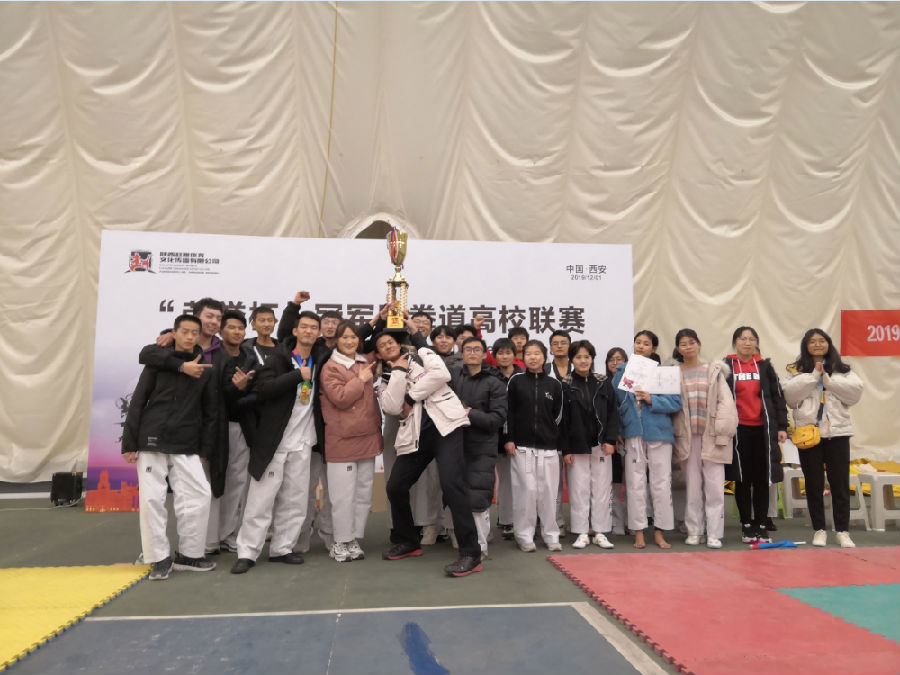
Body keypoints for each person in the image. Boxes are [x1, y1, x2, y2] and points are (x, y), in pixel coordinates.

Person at [374, 332, 482, 577]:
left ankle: (471, 553)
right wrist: (399, 371)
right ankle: (408, 541)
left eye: (391, 341)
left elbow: (441, 375)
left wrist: (410, 396)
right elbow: (391, 407)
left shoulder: (422, 356)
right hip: (416, 436)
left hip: (446, 428)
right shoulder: (385, 380)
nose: (388, 345)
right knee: (395, 486)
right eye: (382, 345)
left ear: (399, 344)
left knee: (452, 485)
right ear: (379, 354)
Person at [231, 310, 330, 573]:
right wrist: (297, 376)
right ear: (294, 331)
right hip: (275, 441)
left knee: (295, 499)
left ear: (318, 333)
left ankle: (283, 548)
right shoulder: (277, 358)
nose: (309, 331)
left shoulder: (321, 357)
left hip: (303, 441)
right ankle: (247, 552)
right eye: (304, 327)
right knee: (261, 499)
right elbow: (263, 389)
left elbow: (349, 339)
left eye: (314, 328)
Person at [122, 314, 217, 580]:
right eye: (184, 331)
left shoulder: (205, 369)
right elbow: (138, 401)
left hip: (187, 442)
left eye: (194, 332)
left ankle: (189, 554)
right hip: (152, 438)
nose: (190, 336)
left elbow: (210, 412)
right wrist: (129, 442)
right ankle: (157, 557)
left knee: (199, 495)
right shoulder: (157, 362)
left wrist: (205, 449)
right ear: (173, 333)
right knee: (152, 499)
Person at [782, 328, 863, 548]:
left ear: (828, 343)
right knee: (814, 484)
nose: (817, 344)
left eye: (821, 340)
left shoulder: (842, 369)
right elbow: (789, 396)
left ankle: (842, 531)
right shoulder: (796, 370)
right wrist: (814, 377)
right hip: (809, 433)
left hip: (838, 433)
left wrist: (828, 379)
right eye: (812, 341)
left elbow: (855, 393)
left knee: (840, 484)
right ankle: (819, 530)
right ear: (805, 346)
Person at [319, 321, 383, 562]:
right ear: (336, 340)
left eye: (353, 337)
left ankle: (353, 539)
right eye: (344, 337)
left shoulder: (365, 362)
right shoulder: (330, 367)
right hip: (341, 441)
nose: (349, 341)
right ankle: (339, 541)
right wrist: (361, 379)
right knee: (342, 496)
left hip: (367, 438)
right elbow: (341, 398)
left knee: (363, 494)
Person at [613, 331, 681, 549]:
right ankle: (639, 531)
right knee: (635, 484)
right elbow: (614, 405)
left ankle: (660, 531)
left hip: (659, 433)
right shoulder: (622, 372)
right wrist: (619, 430)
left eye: (646, 343)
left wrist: (652, 399)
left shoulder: (664, 373)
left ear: (654, 348)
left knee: (661, 483)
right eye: (638, 342)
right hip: (633, 433)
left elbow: (676, 403)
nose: (641, 346)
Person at [671, 329, 738, 549]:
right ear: (678, 348)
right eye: (683, 344)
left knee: (715, 487)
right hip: (687, 437)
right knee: (692, 487)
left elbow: (726, 403)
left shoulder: (713, 370)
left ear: (699, 344)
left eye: (691, 342)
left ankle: (714, 533)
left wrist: (722, 432)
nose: (688, 347)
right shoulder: (674, 373)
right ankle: (694, 530)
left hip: (712, 436)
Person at [724, 327, 788, 543]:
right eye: (743, 338)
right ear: (735, 342)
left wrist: (782, 426)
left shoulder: (765, 366)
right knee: (742, 479)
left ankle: (761, 524)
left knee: (762, 479)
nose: (747, 342)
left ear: (757, 343)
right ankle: (746, 524)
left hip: (763, 430)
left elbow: (778, 397)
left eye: (752, 339)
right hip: (738, 430)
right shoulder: (727, 366)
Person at [205, 310, 260, 556]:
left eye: (240, 328)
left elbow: (256, 390)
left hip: (241, 426)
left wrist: (241, 391)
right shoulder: (214, 355)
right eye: (231, 327)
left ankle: (227, 534)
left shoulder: (250, 356)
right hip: (215, 427)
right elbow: (215, 394)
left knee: (237, 482)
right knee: (213, 482)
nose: (237, 332)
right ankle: (208, 538)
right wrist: (235, 389)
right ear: (221, 331)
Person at [505, 340, 566, 552]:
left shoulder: (554, 385)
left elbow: (559, 415)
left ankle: (551, 535)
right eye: (529, 353)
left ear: (544, 356)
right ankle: (524, 536)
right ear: (523, 357)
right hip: (522, 447)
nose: (533, 357)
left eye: (537, 353)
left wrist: (552, 436)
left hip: (548, 447)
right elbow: (509, 412)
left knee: (549, 493)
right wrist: (510, 438)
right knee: (526, 492)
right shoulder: (516, 381)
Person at [454, 336, 508, 557]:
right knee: (457, 497)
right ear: (462, 353)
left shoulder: (494, 382)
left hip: (482, 446)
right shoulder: (454, 377)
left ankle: (480, 546)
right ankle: (467, 544)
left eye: (477, 349)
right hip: (455, 444)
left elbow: (497, 419)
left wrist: (470, 413)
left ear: (485, 354)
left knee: (478, 498)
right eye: (468, 349)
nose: (472, 353)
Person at [563, 340, 618, 549]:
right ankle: (581, 532)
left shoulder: (603, 383)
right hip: (577, 446)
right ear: (572, 360)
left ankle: (600, 532)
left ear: (592, 359)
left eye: (587, 357)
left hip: (601, 445)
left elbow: (613, 413)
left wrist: (610, 440)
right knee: (579, 489)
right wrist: (566, 449)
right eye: (578, 357)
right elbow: (562, 420)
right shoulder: (565, 385)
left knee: (602, 489)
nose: (583, 361)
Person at [492, 338, 523, 540]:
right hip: (494, 435)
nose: (504, 356)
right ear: (495, 356)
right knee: (502, 479)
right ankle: (505, 520)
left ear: (514, 355)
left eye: (508, 352)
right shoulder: (490, 376)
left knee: (518, 480)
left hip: (519, 435)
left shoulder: (522, 376)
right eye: (500, 353)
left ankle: (519, 520)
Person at [604, 348, 629, 535]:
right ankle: (616, 521)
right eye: (611, 359)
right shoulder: (603, 383)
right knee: (614, 481)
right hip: (611, 439)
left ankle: (632, 521)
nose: (615, 363)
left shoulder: (631, 382)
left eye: (619, 359)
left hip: (630, 436)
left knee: (633, 483)